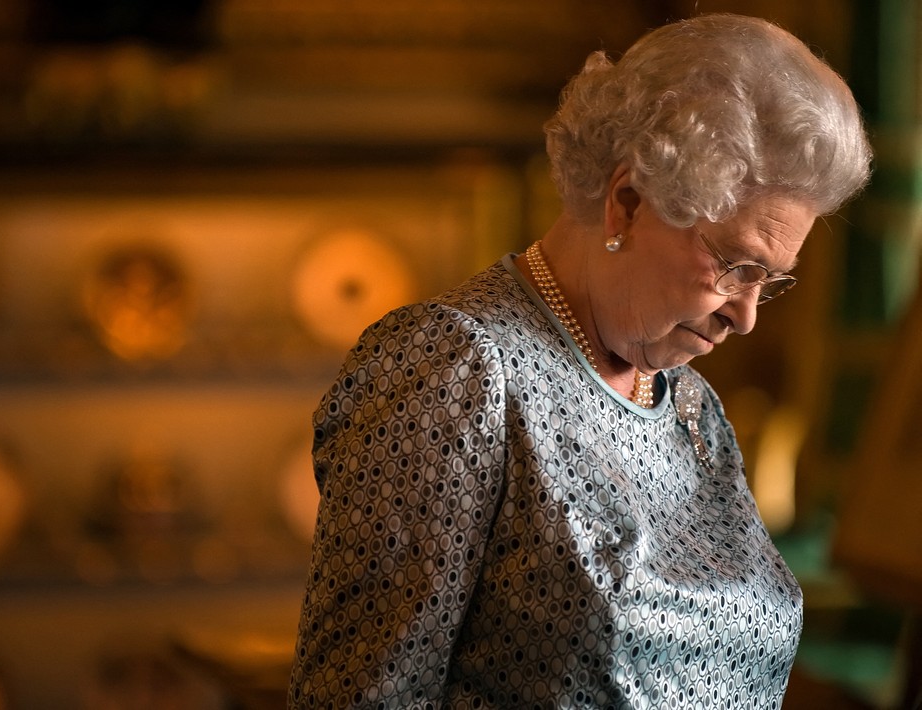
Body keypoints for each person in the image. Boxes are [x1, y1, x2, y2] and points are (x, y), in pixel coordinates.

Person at [288, 13, 871, 709]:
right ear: (626, 203)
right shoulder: (456, 371)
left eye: (770, 281)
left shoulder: (690, 407)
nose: (746, 315)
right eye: (734, 266)